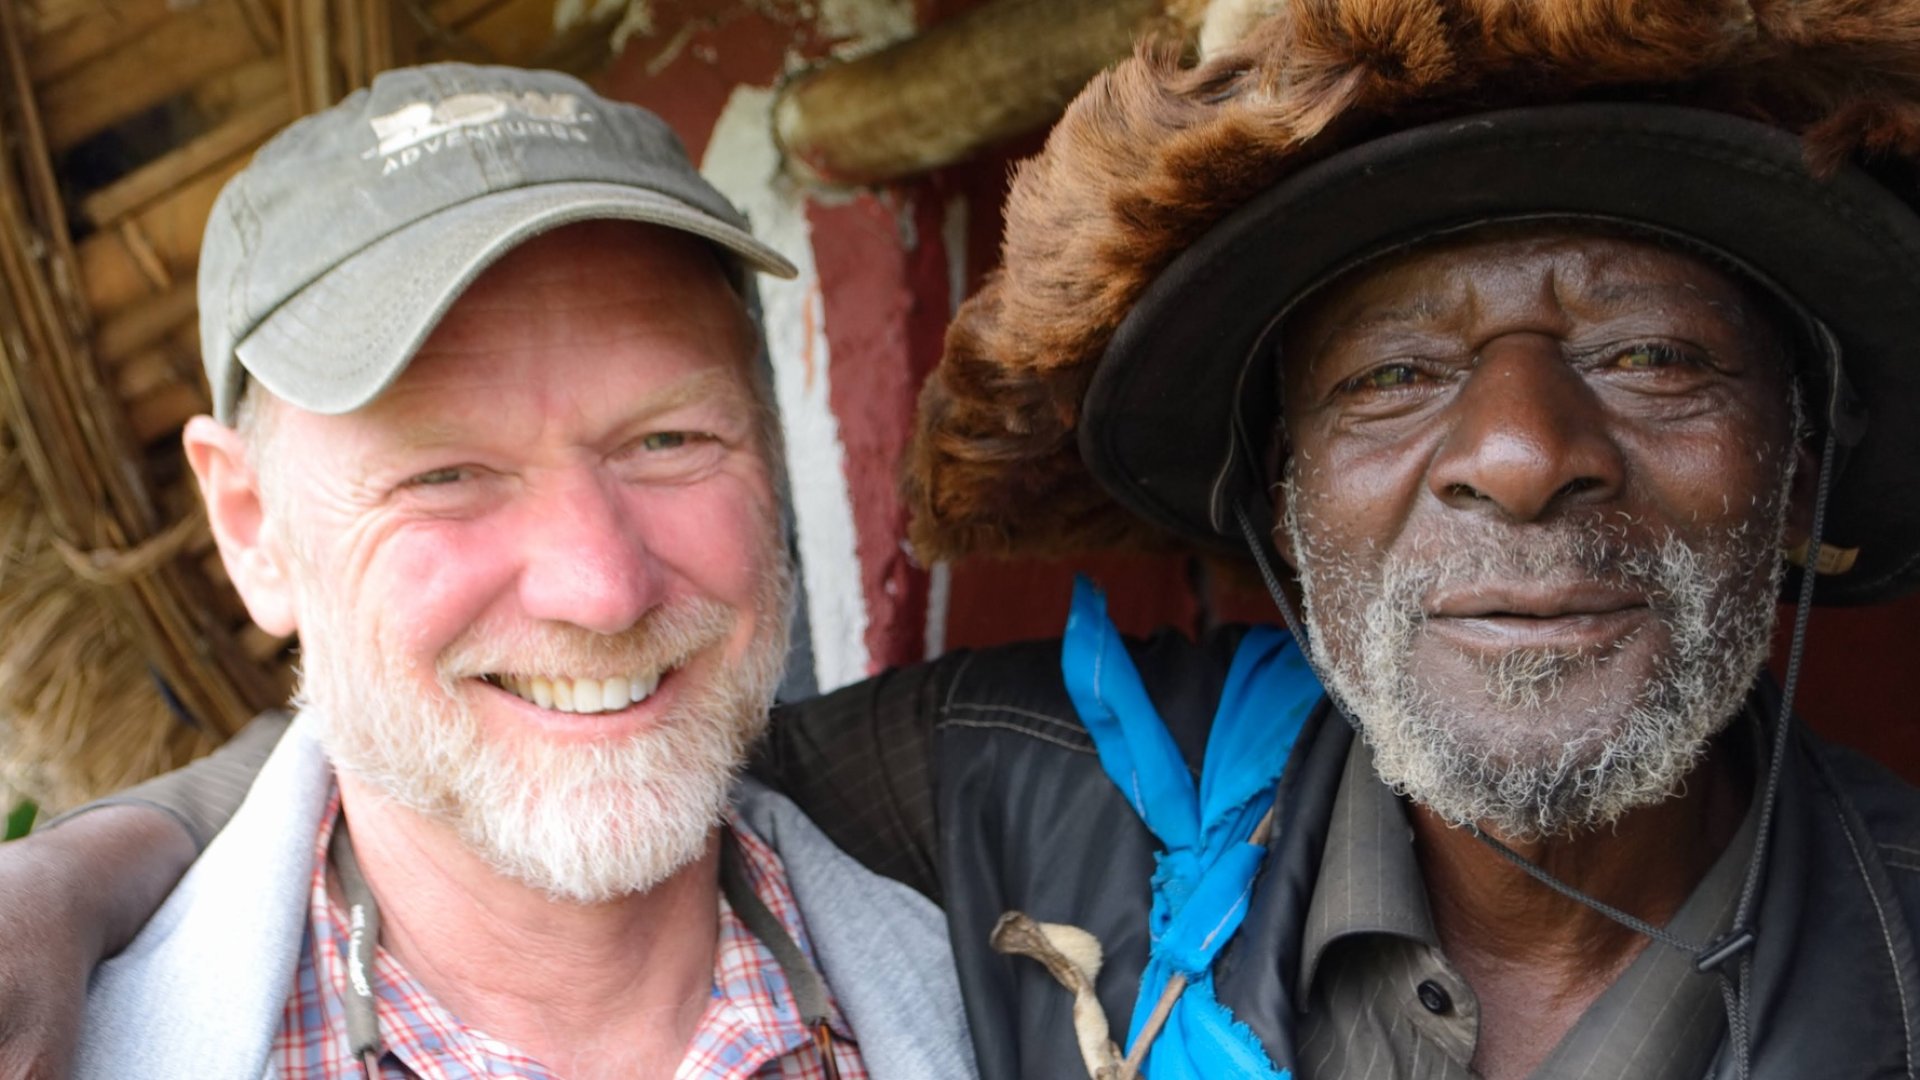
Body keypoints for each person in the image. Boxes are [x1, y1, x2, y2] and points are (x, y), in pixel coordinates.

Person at [7, 2, 1920, 1078]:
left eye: (1653, 354)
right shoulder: (1024, 801)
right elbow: (502, 759)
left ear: (1801, 449)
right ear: (1278, 501)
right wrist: (83, 886)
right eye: (1398, 375)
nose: (1520, 451)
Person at [0, 63, 976, 1080]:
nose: (601, 590)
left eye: (669, 440)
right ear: (252, 527)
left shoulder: (1057, 956)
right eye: (447, 473)